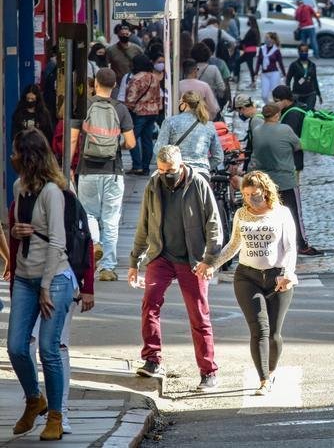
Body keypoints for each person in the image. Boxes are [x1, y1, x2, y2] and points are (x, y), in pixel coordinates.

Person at [194, 171, 298, 396]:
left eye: (255, 194)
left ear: (266, 192)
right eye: (247, 194)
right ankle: (263, 379)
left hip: (277, 277)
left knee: (273, 334)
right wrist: (211, 264)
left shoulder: (281, 213)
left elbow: (290, 247)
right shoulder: (242, 214)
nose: (251, 198)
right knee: (259, 330)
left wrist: (288, 273)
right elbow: (233, 245)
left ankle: (271, 370)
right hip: (247, 277)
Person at [128, 145, 222, 390]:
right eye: (160, 170)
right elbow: (144, 223)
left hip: (192, 260)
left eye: (169, 170)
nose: (165, 174)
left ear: (181, 166)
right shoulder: (153, 185)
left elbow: (214, 224)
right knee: (150, 303)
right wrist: (134, 261)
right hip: (160, 255)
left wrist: (210, 260)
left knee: (199, 315)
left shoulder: (198, 184)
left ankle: (208, 371)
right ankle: (151, 359)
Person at [5, 129, 74, 440]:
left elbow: (58, 241)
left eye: (16, 151)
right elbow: (23, 229)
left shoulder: (52, 192)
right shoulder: (20, 187)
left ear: (28, 156)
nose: (11, 157)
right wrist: (18, 233)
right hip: (24, 276)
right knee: (16, 347)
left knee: (48, 348)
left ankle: (56, 416)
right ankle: (35, 399)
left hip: (54, 278)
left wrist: (46, 285)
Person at [70, 69, 136, 282]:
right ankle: (107, 267)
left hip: (87, 170)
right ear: (115, 85)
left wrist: (70, 166)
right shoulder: (121, 109)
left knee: (88, 214)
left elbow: (72, 139)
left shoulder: (84, 106)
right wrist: (119, 144)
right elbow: (132, 143)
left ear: (95, 83)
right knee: (111, 219)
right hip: (113, 171)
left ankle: (95, 242)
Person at [249, 104, 319, 256]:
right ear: (277, 115)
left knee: (270, 214)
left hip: (266, 181)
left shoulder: (257, 132)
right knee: (294, 213)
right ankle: (302, 245)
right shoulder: (285, 129)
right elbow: (298, 145)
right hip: (286, 179)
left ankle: (274, 245)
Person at [154, 92, 223, 178]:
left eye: (180, 102)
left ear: (185, 104)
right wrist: (204, 167)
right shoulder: (209, 125)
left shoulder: (170, 122)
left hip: (176, 172)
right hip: (201, 174)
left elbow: (159, 150)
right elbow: (218, 157)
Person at [125, 54, 162, 176]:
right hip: (153, 112)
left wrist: (127, 109)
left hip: (139, 112)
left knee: (132, 138)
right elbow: (158, 96)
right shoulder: (154, 78)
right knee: (147, 139)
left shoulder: (136, 79)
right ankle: (146, 167)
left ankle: (137, 165)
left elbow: (131, 98)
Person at [285, 43, 323, 110]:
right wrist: (289, 94)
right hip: (297, 94)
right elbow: (288, 79)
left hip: (310, 93)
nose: (304, 53)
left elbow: (314, 80)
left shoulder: (312, 65)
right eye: (302, 51)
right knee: (299, 112)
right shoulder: (294, 65)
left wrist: (319, 94)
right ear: (299, 52)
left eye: (306, 51)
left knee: (309, 111)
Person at [256, 32, 286, 103]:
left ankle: (276, 110)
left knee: (274, 94)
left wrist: (285, 74)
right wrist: (255, 73)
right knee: (264, 96)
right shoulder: (262, 49)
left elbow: (280, 63)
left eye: (267, 38)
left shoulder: (276, 50)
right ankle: (269, 107)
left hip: (274, 73)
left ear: (272, 40)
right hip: (264, 74)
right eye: (265, 38)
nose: (265, 39)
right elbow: (258, 62)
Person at [239, 16, 261, 89]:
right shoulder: (255, 30)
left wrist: (240, 42)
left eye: (248, 20)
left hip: (249, 51)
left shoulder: (252, 30)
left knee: (240, 63)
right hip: (252, 50)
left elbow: (246, 40)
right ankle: (253, 82)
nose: (247, 22)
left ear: (251, 21)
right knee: (249, 66)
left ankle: (253, 82)